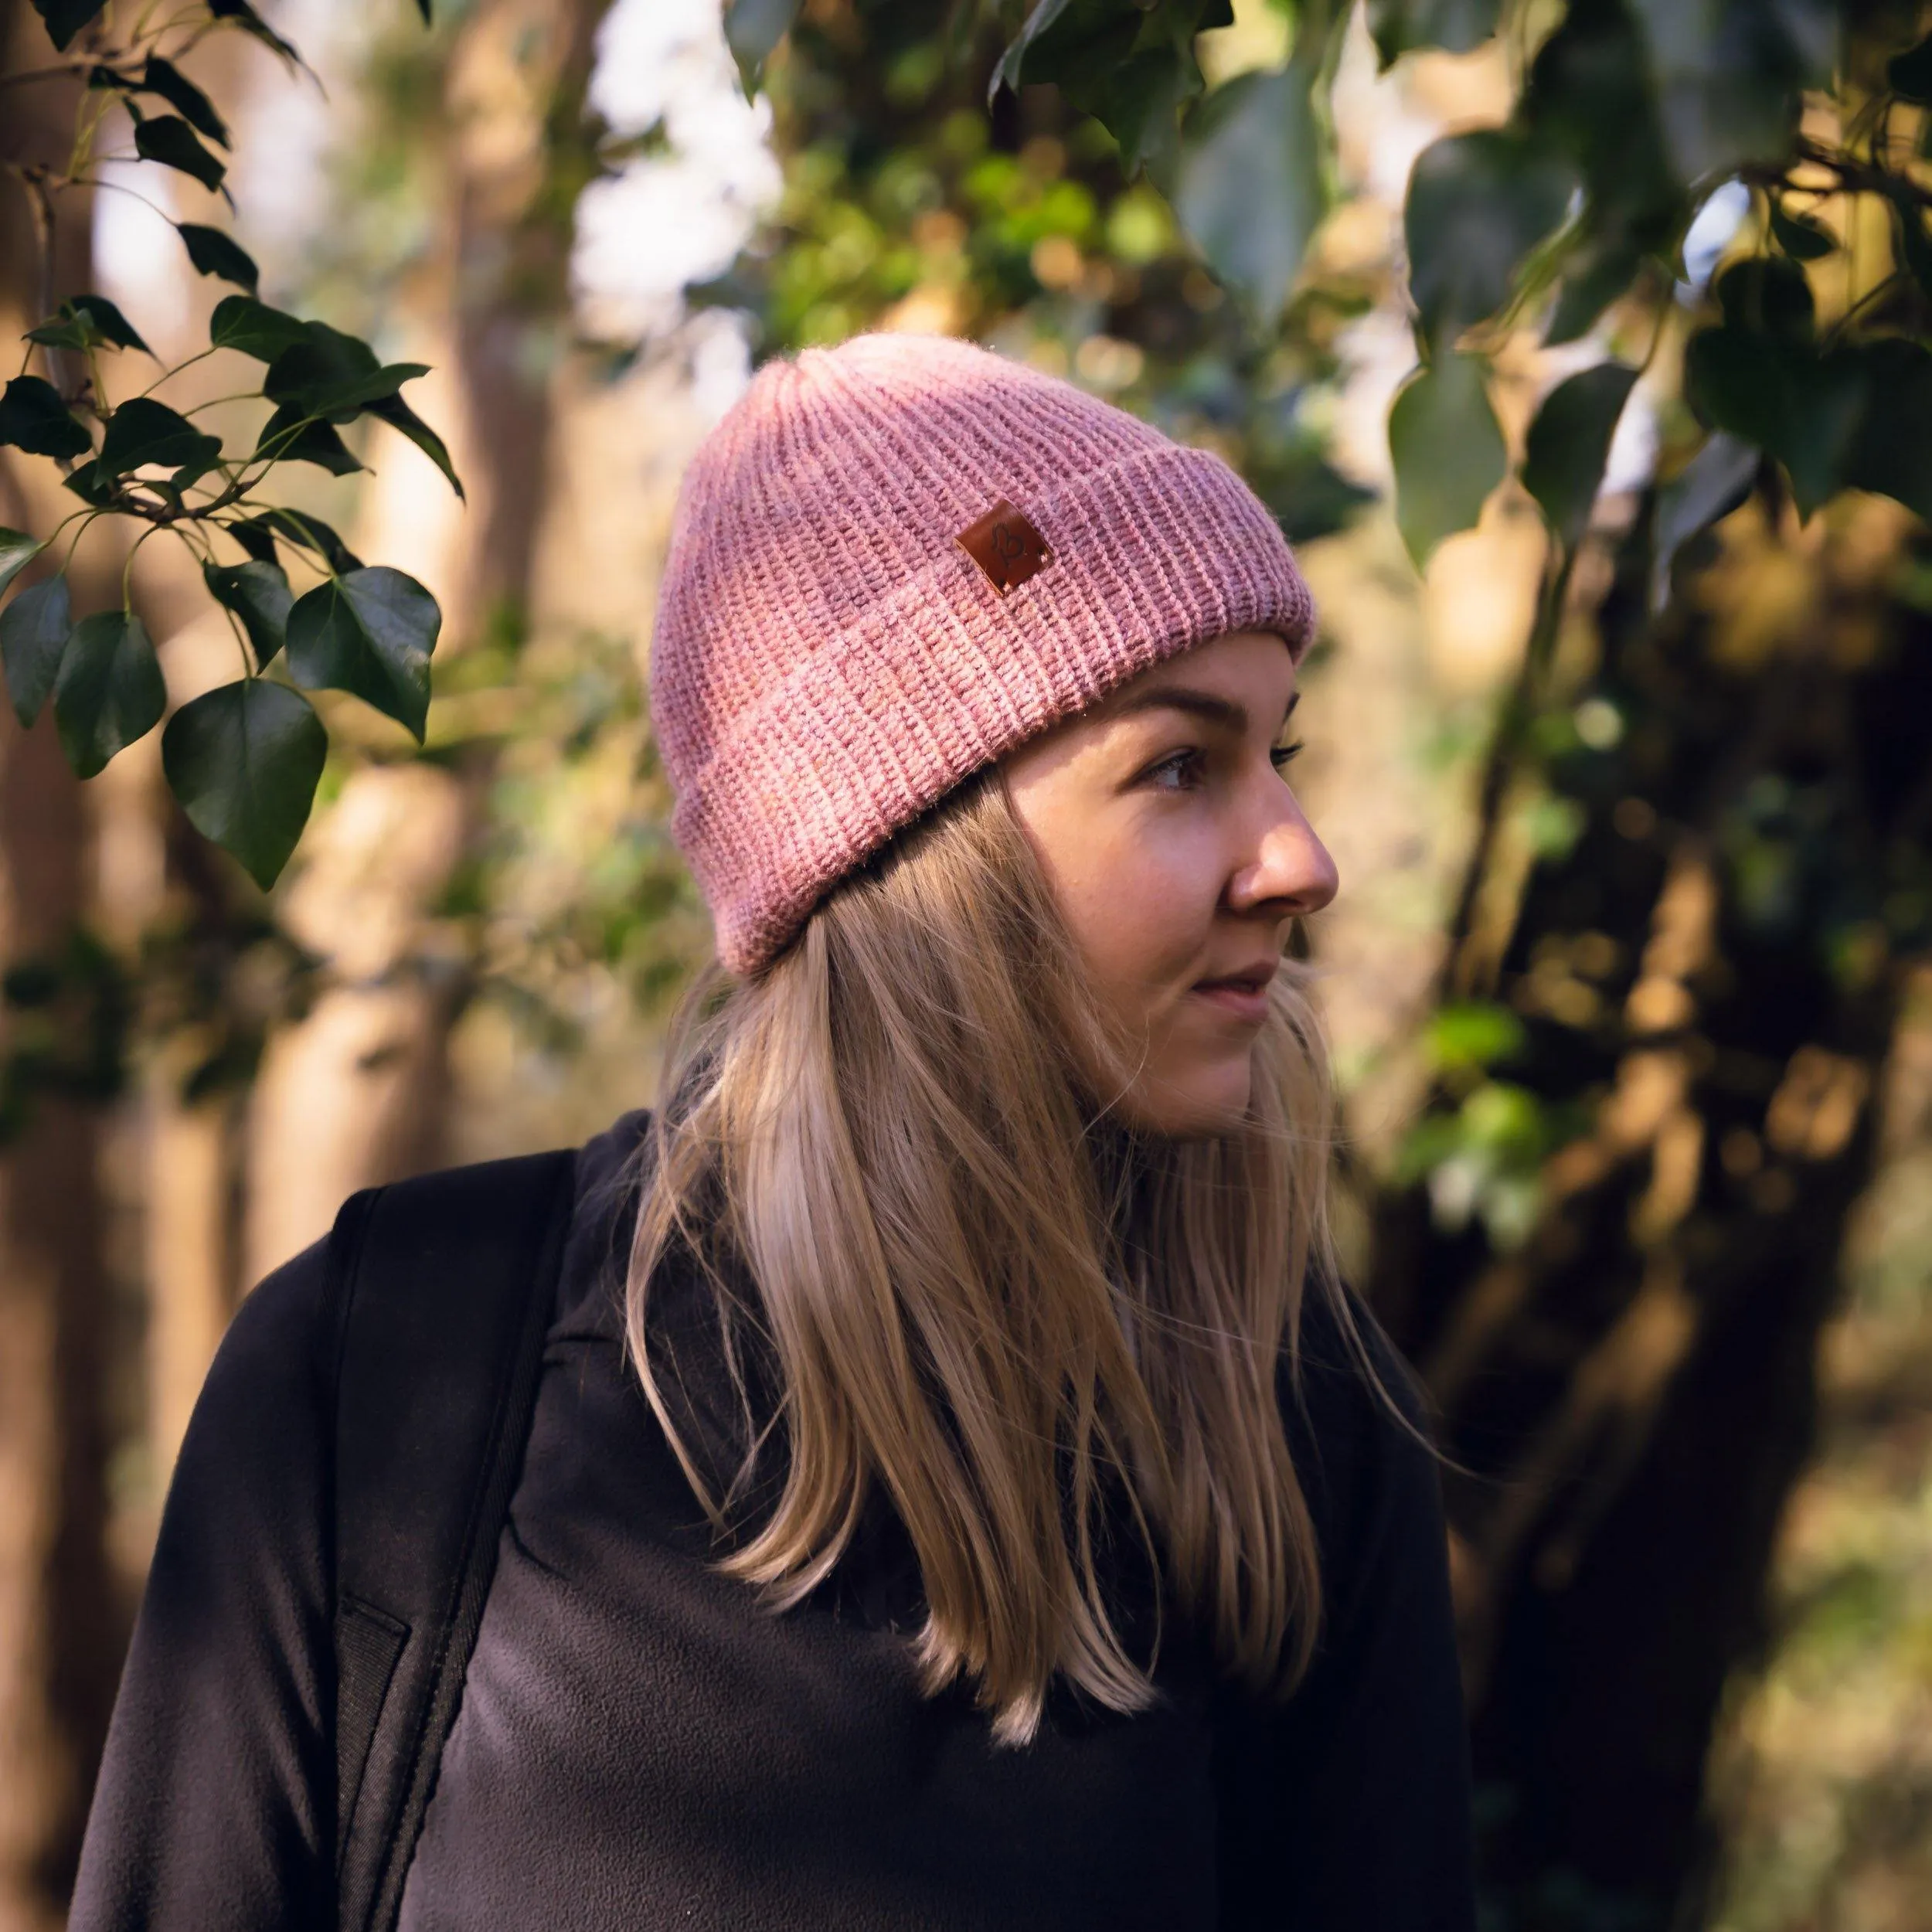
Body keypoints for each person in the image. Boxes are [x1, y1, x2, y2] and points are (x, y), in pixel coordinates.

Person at [70, 332, 1477, 1930]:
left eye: (1272, 753)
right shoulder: (384, 1367)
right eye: (1178, 763)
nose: (1298, 855)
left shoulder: (1292, 1425)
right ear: (908, 853)